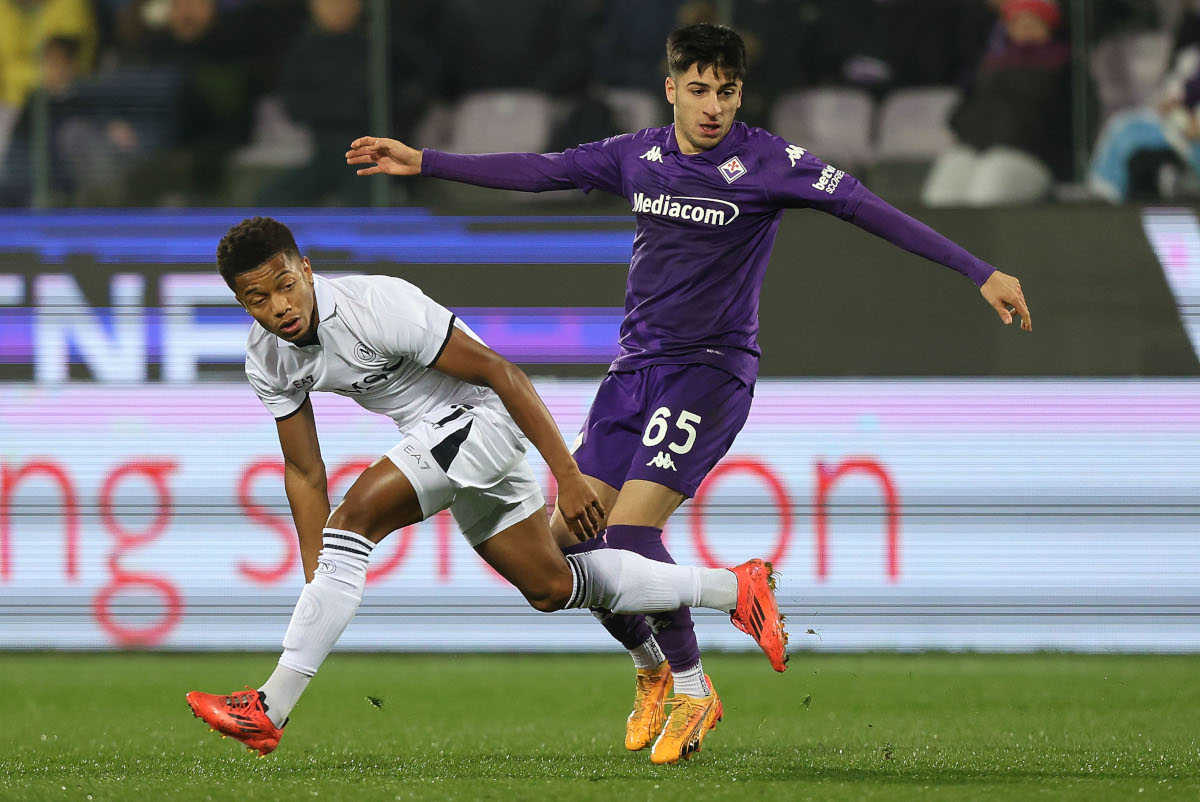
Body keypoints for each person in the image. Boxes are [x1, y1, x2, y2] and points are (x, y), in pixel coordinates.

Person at [346, 22, 1032, 763]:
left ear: (740, 94)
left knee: (629, 538)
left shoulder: (770, 164)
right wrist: (426, 160)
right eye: (699, 90)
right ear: (671, 88)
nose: (713, 107)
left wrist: (980, 271)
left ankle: (696, 690)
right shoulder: (637, 156)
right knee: (563, 545)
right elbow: (540, 170)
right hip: (633, 373)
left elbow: (869, 208)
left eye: (726, 92)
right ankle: (650, 667)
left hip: (709, 372)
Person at [184, 216, 787, 764]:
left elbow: (502, 372)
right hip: (439, 440)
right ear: (241, 303)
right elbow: (303, 472)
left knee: (354, 521)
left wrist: (568, 476)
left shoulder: (376, 305)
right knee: (551, 586)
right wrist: (318, 575)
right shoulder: (267, 358)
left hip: (483, 418)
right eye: (258, 299)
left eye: (286, 285)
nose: (279, 307)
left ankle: (270, 708)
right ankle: (734, 589)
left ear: (307, 269)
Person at [922, 0, 1072, 207]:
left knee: (989, 187)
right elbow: (963, 109)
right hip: (975, 150)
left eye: (1032, 21)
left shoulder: (1066, 65)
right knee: (943, 191)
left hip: (1031, 155)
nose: (1025, 29)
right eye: (1018, 22)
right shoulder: (991, 64)